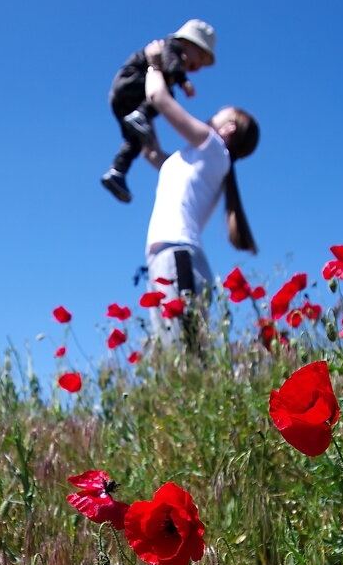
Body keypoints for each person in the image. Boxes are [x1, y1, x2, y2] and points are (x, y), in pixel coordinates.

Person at [139, 64, 259, 348]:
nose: (213, 114)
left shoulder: (215, 149)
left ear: (227, 129)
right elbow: (152, 152)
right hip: (163, 256)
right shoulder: (192, 158)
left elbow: (159, 97)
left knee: (188, 348)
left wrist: (153, 64)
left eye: (221, 113)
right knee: (173, 350)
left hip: (178, 253)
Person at [100, 20, 217, 204]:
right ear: (185, 42)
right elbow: (172, 65)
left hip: (126, 101)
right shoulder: (171, 46)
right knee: (166, 91)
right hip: (130, 83)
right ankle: (140, 116)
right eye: (200, 56)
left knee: (137, 140)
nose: (199, 65)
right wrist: (182, 81)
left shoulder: (170, 57)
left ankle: (117, 171)